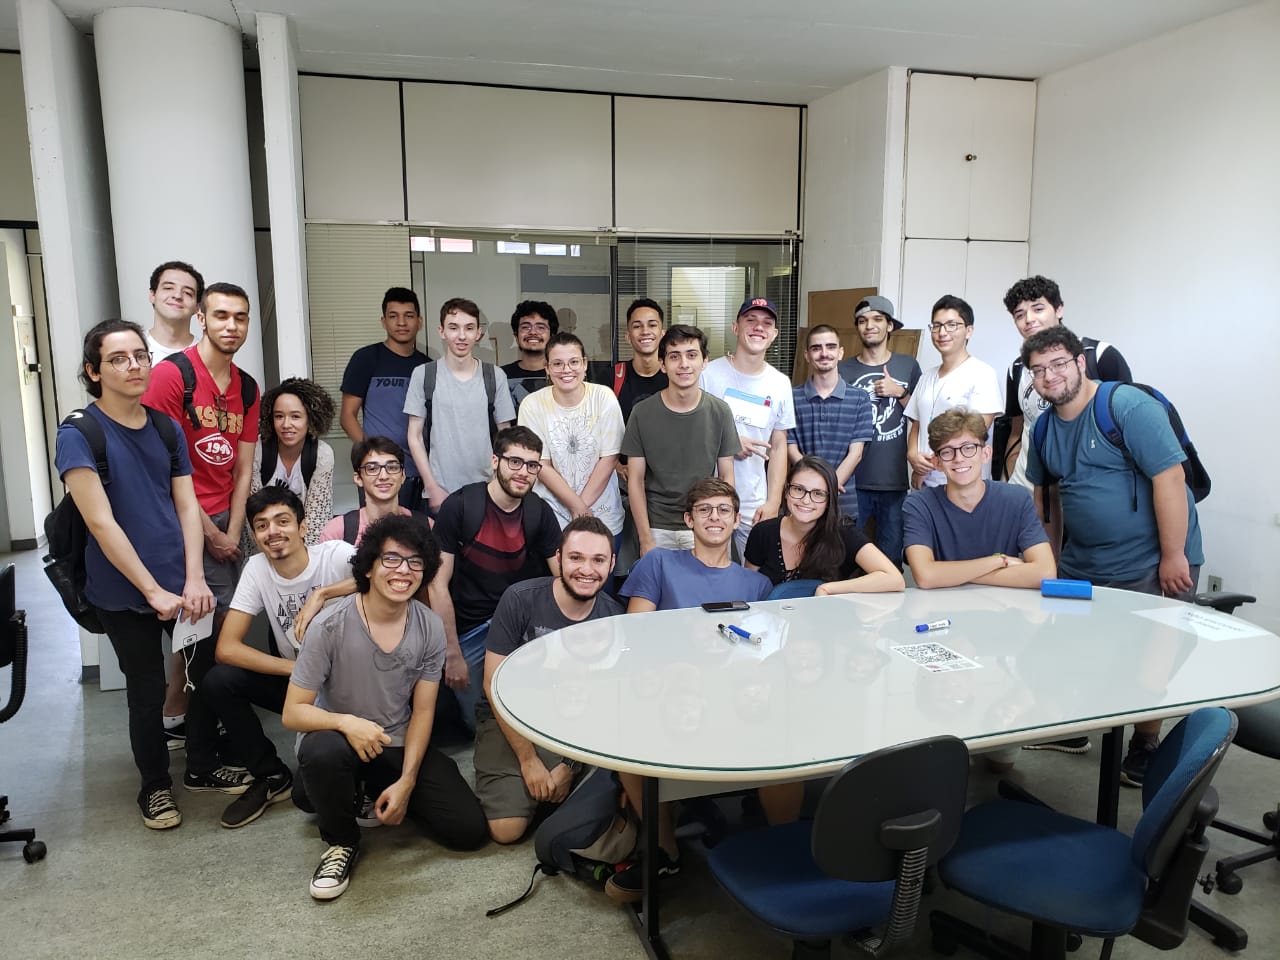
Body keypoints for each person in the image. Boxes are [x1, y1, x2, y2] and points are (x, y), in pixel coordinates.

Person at [1023, 325, 1204, 787]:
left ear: (1080, 362)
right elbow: (1051, 503)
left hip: (1151, 560)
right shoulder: (1044, 427)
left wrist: (1173, 555)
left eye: (1058, 364)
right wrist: (1053, 565)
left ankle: (1144, 744)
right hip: (1085, 562)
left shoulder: (1125, 407)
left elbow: (1169, 478)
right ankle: (1076, 724)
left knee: (1150, 661)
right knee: (1073, 650)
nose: (1050, 376)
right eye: (1038, 370)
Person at [54, 319, 217, 830]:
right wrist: (151, 590)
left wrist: (194, 578)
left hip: (181, 581)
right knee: (146, 691)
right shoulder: (80, 434)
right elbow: (100, 523)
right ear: (93, 371)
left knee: (206, 677)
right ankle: (155, 786)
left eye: (140, 356)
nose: (133, 366)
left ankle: (203, 765)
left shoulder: (165, 427)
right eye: (118, 359)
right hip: (123, 591)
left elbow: (187, 506)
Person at [283, 514, 488, 900]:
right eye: (391, 559)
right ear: (370, 566)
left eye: (415, 562)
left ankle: (366, 787)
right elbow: (293, 712)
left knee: (468, 831)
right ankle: (342, 842)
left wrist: (408, 782)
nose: (403, 571)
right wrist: (347, 723)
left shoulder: (427, 625)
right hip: (340, 741)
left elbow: (424, 711)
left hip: (393, 741)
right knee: (320, 753)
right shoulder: (329, 625)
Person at [609, 478, 771, 901]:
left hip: (730, 696)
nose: (714, 517)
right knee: (632, 750)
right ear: (688, 519)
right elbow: (636, 636)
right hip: (670, 691)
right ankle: (664, 848)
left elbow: (761, 654)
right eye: (704, 510)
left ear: (738, 520)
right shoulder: (659, 563)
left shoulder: (756, 586)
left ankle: (779, 844)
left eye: (723, 510)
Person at [141, 281, 260, 765]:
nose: (231, 326)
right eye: (222, 316)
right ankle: (197, 736)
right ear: (202, 320)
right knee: (205, 636)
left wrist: (233, 530)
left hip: (227, 522)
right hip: (182, 520)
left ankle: (192, 723)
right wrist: (210, 534)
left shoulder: (248, 387)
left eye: (241, 317)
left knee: (224, 627)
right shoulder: (171, 376)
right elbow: (162, 466)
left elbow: (244, 466)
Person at [204, 487, 355, 829]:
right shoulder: (257, 568)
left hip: (350, 684)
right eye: (262, 525)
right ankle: (271, 776)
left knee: (313, 796)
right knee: (219, 680)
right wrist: (298, 669)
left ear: (303, 528)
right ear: (255, 535)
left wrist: (325, 593)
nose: (273, 531)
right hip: (301, 685)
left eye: (283, 521)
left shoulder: (335, 556)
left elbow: (381, 573)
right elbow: (227, 648)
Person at [476, 517, 623, 843]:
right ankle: (527, 787)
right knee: (506, 831)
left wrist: (569, 764)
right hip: (513, 715)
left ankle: (559, 788)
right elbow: (492, 685)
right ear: (558, 557)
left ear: (612, 564)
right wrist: (529, 761)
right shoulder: (520, 599)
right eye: (576, 558)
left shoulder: (614, 616)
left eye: (598, 560)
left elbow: (604, 702)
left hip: (575, 721)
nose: (587, 569)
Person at [427, 426, 562, 732]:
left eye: (532, 465)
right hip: (471, 628)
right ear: (495, 461)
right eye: (515, 461)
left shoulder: (539, 513)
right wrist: (452, 654)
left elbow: (562, 578)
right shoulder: (461, 506)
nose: (523, 472)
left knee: (533, 711)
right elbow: (436, 584)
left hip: (521, 626)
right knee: (479, 723)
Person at [999, 276, 1133, 487]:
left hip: (1089, 489)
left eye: (1038, 308)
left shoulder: (1099, 356)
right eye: (1020, 314)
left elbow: (1130, 426)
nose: (1029, 319)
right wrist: (1007, 482)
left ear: (1059, 309)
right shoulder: (1016, 369)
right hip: (1027, 487)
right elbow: (1017, 431)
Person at [903, 408, 1056, 590]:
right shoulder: (919, 505)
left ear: (986, 453)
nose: (959, 458)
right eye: (947, 451)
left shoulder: (1017, 499)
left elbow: (1045, 573)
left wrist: (957, 576)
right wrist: (999, 561)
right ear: (937, 463)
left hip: (1005, 609)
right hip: (945, 609)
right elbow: (925, 576)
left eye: (969, 448)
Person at [622, 324, 739, 555]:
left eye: (692, 355)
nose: (684, 364)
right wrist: (645, 539)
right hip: (656, 525)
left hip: (704, 523)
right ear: (662, 365)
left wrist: (722, 529)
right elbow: (635, 480)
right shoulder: (642, 413)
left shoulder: (720, 411)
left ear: (704, 361)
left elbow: (727, 476)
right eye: (674, 357)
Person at [701, 297, 795, 555]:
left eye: (766, 323)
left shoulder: (779, 383)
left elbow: (778, 447)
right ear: (735, 327)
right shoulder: (708, 374)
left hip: (755, 504)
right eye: (750, 320)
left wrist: (774, 501)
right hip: (708, 500)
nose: (758, 327)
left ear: (774, 334)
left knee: (754, 580)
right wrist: (730, 442)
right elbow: (692, 433)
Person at [405, 297, 516, 514]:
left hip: (487, 490)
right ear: (441, 332)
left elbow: (506, 436)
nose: (462, 336)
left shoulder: (494, 376)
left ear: (478, 334)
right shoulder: (424, 375)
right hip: (440, 490)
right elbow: (414, 436)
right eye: (453, 328)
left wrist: (499, 485)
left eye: (469, 328)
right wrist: (431, 486)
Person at [838, 295, 921, 567]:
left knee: (890, 560)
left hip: (894, 482)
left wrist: (899, 393)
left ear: (890, 326)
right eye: (862, 321)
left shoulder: (908, 366)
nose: (869, 326)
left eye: (876, 319)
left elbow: (922, 416)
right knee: (847, 558)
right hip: (851, 482)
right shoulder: (843, 369)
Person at [745, 456, 904, 595]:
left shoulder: (843, 533)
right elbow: (750, 590)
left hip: (827, 623)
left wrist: (830, 589)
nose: (806, 500)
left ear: (829, 501)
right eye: (799, 489)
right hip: (772, 624)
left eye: (818, 494)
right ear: (786, 491)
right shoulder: (763, 532)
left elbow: (895, 580)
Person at [517, 332, 625, 537]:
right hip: (551, 516)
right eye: (557, 364)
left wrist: (582, 509)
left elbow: (610, 458)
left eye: (574, 362)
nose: (566, 370)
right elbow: (541, 464)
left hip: (603, 517)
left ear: (584, 364)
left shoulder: (604, 397)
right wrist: (578, 507)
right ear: (547, 368)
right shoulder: (532, 404)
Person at [339, 287, 430, 508]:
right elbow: (347, 416)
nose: (401, 323)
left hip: (420, 471)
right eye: (393, 316)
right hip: (378, 473)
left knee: (416, 537)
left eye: (408, 316)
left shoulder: (428, 366)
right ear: (383, 321)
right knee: (378, 537)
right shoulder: (366, 358)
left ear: (419, 322)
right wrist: (370, 455)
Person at [904, 294, 1003, 490]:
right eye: (936, 325)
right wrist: (913, 456)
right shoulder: (926, 377)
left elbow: (976, 431)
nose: (942, 332)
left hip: (963, 484)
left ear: (969, 331)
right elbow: (916, 424)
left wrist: (934, 461)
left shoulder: (983, 374)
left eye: (951, 325)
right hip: (925, 482)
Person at [787, 324, 874, 522]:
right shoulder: (791, 397)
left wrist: (826, 488)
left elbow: (856, 453)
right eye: (816, 348)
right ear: (806, 355)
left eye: (831, 347)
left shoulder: (860, 398)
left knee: (843, 553)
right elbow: (791, 449)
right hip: (802, 500)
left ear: (840, 352)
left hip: (843, 500)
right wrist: (813, 490)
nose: (824, 353)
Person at [245, 377, 335, 550]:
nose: (286, 424)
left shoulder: (322, 454)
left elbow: (317, 520)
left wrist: (299, 563)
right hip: (260, 546)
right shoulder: (257, 450)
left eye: (295, 416)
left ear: (311, 419)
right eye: (279, 416)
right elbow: (251, 513)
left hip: (302, 548)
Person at [319, 436, 422, 546]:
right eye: (372, 469)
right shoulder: (337, 532)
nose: (384, 476)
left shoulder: (425, 526)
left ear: (403, 476)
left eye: (392, 467)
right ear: (358, 478)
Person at [607, 298, 669, 423]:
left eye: (652, 325)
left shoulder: (674, 377)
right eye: (637, 326)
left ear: (663, 334)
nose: (645, 331)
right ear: (628, 337)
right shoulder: (611, 379)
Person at [501, 299, 558, 412]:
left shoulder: (562, 374)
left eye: (540, 327)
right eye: (525, 327)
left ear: (551, 336)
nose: (533, 332)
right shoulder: (501, 376)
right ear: (516, 336)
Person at [144, 260, 202, 360]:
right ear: (153, 295)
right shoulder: (130, 347)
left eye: (187, 293)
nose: (177, 295)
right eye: (168, 288)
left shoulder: (206, 356)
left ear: (197, 306)